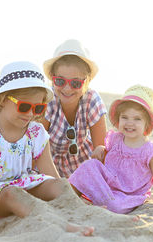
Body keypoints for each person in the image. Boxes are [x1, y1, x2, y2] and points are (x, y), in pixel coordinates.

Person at [0, 61, 94, 240]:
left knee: (62, 185)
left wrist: (63, 191)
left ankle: (93, 216)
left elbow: (51, 176)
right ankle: (62, 225)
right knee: (13, 194)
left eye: (38, 108)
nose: (29, 114)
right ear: (4, 99)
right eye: (24, 106)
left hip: (23, 187)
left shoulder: (36, 132)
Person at [69, 85, 153, 216]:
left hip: (129, 195)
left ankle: (103, 202)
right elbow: (109, 157)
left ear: (147, 123)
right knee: (89, 165)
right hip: (108, 185)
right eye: (125, 117)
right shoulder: (116, 139)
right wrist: (101, 149)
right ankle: (70, 194)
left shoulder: (150, 152)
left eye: (137, 119)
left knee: (115, 205)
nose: (129, 123)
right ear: (118, 118)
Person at [41, 39, 107, 178]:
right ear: (52, 79)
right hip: (48, 164)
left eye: (76, 83)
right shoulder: (48, 100)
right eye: (60, 81)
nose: (67, 88)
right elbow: (38, 147)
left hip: (85, 162)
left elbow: (100, 149)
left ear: (87, 81)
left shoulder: (91, 99)